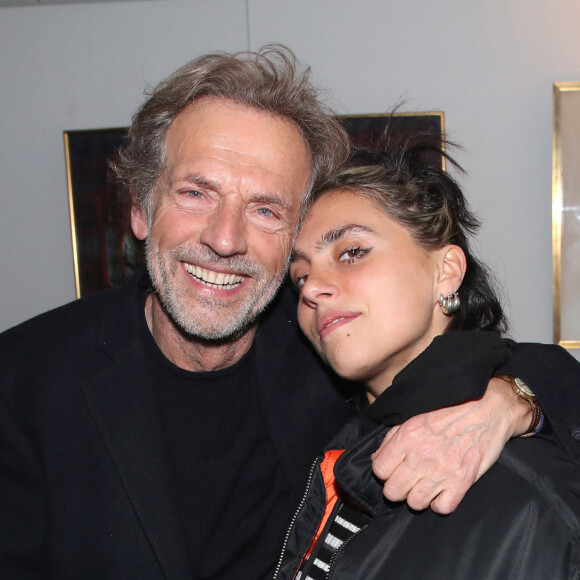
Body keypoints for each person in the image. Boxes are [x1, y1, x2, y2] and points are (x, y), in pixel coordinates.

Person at [0, 45, 579, 579]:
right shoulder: (24, 380)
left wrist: (511, 402)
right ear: (141, 210)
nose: (226, 239)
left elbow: (523, 367)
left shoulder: (327, 349)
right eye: (196, 193)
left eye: (266, 210)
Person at [276, 133, 580, 579]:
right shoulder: (332, 446)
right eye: (300, 277)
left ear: (446, 271)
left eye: (352, 252)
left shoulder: (528, 496)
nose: (314, 287)